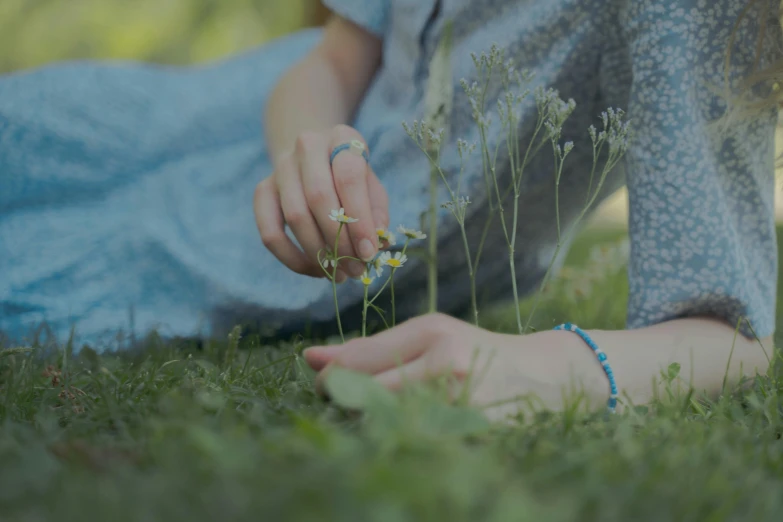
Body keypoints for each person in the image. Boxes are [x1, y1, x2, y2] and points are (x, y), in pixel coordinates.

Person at [1, 0, 780, 417]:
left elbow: (730, 332)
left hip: (251, 250)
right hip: (220, 114)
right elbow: (331, 60)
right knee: (27, 119)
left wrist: (543, 368)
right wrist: (310, 151)